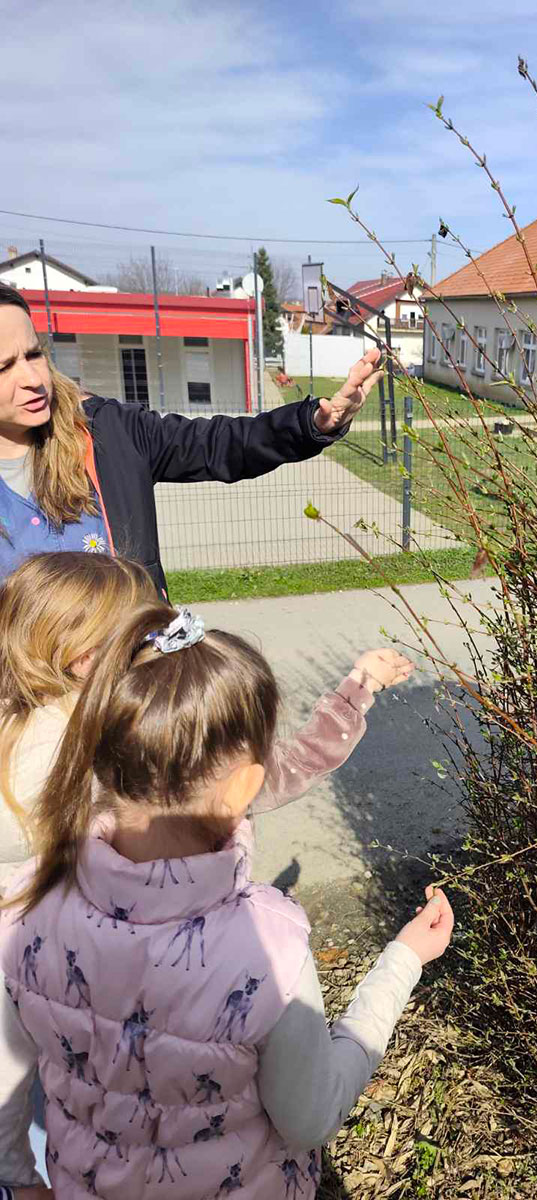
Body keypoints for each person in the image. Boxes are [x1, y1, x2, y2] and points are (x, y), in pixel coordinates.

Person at [0, 600, 453, 1199]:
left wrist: (17, 1179)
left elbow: (6, 1075)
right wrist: (403, 962)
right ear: (246, 783)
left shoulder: (24, 907)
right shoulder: (266, 946)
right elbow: (310, 1119)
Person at [0, 551, 413, 889]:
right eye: (143, 634)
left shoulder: (17, 729)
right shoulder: (132, 731)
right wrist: (358, 688)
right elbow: (283, 769)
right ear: (85, 657)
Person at [0, 283, 383, 593]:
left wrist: (312, 423)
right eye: (4, 368)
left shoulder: (108, 432)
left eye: (34, 355)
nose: (32, 379)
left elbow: (220, 443)